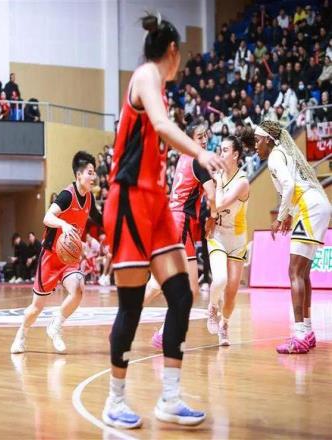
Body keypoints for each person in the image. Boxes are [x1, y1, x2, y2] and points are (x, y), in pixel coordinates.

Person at [101, 14, 225, 429]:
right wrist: (200, 152)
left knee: (182, 295)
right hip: (129, 200)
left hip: (154, 204)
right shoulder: (146, 76)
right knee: (132, 305)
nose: (180, 62)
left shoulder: (159, 85)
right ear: (172, 51)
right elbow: (160, 124)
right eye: (181, 55)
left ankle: (170, 398)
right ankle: (115, 400)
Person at [10, 151, 103, 354]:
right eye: (90, 172)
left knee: (78, 290)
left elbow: (100, 220)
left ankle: (56, 325)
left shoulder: (89, 198)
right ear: (78, 175)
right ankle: (21, 334)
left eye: (94, 172)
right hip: (51, 257)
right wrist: (64, 224)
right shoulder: (67, 195)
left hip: (69, 258)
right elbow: (47, 217)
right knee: (36, 308)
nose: (93, 177)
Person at [254, 121, 331, 354]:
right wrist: (289, 214)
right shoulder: (284, 152)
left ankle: (299, 335)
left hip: (308, 207)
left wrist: (280, 217)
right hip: (318, 205)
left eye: (257, 140)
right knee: (303, 273)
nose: (255, 145)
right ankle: (306, 330)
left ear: (268, 140)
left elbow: (288, 186)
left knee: (294, 272)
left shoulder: (275, 156)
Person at [144, 121, 217, 350]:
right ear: (190, 139)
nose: (204, 140)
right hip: (180, 224)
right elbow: (212, 195)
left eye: (205, 136)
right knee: (188, 288)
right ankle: (161, 332)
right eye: (199, 137)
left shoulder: (183, 158)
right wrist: (213, 217)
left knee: (160, 283)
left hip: (173, 222)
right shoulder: (198, 159)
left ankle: (129, 318)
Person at [206, 133, 252, 346]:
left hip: (237, 240)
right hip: (218, 236)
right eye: (220, 150)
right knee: (220, 280)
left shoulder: (242, 182)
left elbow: (221, 203)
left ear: (235, 155)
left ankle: (224, 324)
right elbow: (212, 206)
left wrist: (218, 182)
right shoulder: (217, 176)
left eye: (225, 150)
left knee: (232, 291)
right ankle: (212, 307)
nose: (221, 153)